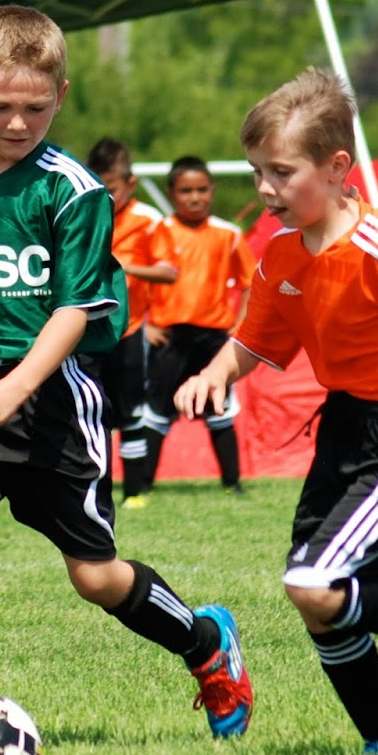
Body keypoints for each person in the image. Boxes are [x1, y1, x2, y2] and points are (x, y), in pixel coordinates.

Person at [0, 5, 253, 755]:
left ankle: (206, 645)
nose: (16, 122)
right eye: (0, 106)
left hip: (52, 407)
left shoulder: (73, 191)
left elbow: (77, 307)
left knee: (96, 576)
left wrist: (19, 387)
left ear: (60, 96)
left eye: (35, 108)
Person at [178, 68, 378, 754]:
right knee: (325, 604)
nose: (264, 190)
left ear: (336, 168)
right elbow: (259, 339)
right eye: (256, 172)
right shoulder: (283, 253)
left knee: (313, 584)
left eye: (280, 172)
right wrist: (213, 372)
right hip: (343, 427)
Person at [134, 156, 256, 500]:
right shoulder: (159, 231)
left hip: (212, 338)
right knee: (156, 411)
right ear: (172, 194)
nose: (195, 197)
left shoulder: (228, 234)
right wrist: (144, 326)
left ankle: (233, 484)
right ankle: (143, 486)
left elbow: (250, 282)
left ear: (212, 192)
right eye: (186, 191)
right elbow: (137, 282)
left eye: (202, 190)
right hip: (169, 336)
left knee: (219, 409)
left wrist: (240, 324)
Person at [85, 138, 177, 504]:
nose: (105, 196)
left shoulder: (149, 220)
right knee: (93, 413)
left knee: (130, 410)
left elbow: (168, 273)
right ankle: (98, 489)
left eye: (111, 189)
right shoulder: (84, 211)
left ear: (131, 184)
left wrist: (121, 267)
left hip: (130, 328)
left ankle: (136, 491)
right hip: (88, 331)